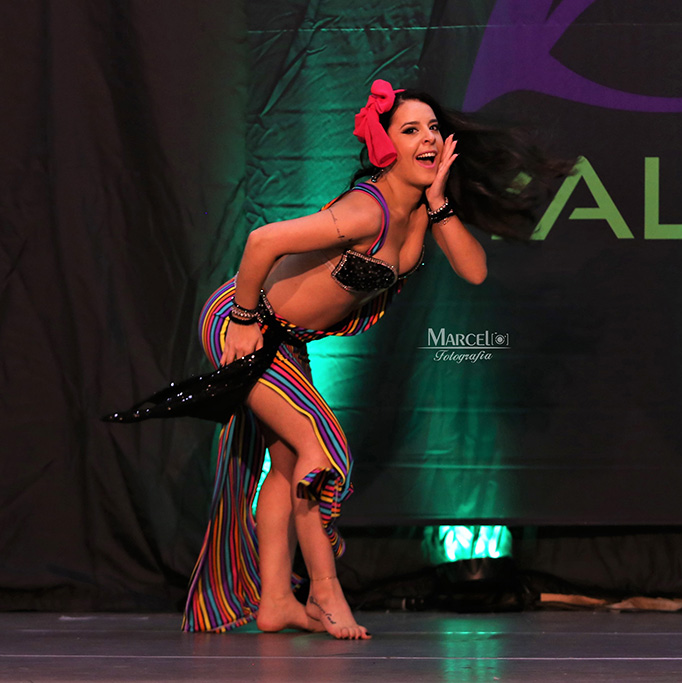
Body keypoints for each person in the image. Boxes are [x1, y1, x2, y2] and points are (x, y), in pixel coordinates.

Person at [107, 79, 571, 639]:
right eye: (411, 130)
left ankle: (276, 601)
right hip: (244, 321)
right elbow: (262, 241)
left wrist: (440, 202)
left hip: (288, 340)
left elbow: (474, 271)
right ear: (385, 145)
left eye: (432, 128)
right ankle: (325, 592)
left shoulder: (419, 214)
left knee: (287, 466)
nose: (428, 138)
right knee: (323, 451)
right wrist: (245, 319)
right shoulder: (366, 210)